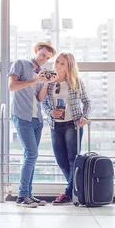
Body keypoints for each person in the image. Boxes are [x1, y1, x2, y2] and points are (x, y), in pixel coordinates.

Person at [38, 52, 91, 205]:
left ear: (69, 66)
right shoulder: (49, 82)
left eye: (62, 63)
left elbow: (87, 102)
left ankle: (68, 193)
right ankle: (76, 189)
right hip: (55, 125)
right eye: (57, 62)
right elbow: (44, 103)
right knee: (61, 160)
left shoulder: (76, 82)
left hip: (73, 124)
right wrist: (51, 112)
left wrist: (85, 116)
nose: (58, 65)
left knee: (72, 159)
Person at [8, 41, 56, 208]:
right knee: (31, 154)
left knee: (31, 157)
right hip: (22, 116)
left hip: (37, 119)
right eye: (42, 54)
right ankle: (21, 197)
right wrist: (36, 79)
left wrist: (47, 82)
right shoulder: (20, 63)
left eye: (48, 58)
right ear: (36, 51)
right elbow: (12, 86)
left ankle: (28, 194)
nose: (44, 59)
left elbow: (41, 99)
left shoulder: (41, 72)